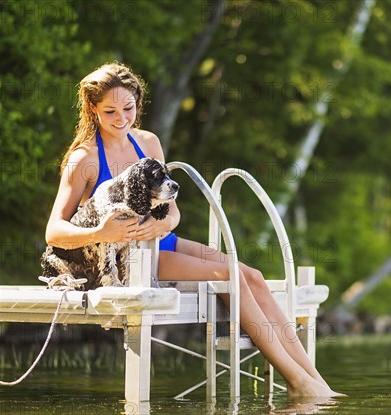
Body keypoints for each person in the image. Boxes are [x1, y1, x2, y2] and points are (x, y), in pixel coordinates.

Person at [45, 62, 342, 398]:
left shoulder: (148, 142)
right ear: (93, 109)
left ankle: (317, 381)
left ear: (138, 104)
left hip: (163, 240)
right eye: (110, 111)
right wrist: (101, 232)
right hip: (131, 259)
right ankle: (297, 383)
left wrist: (167, 222)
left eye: (128, 108)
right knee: (227, 274)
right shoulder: (84, 158)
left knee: (253, 276)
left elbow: (172, 211)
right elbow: (54, 231)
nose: (121, 118)